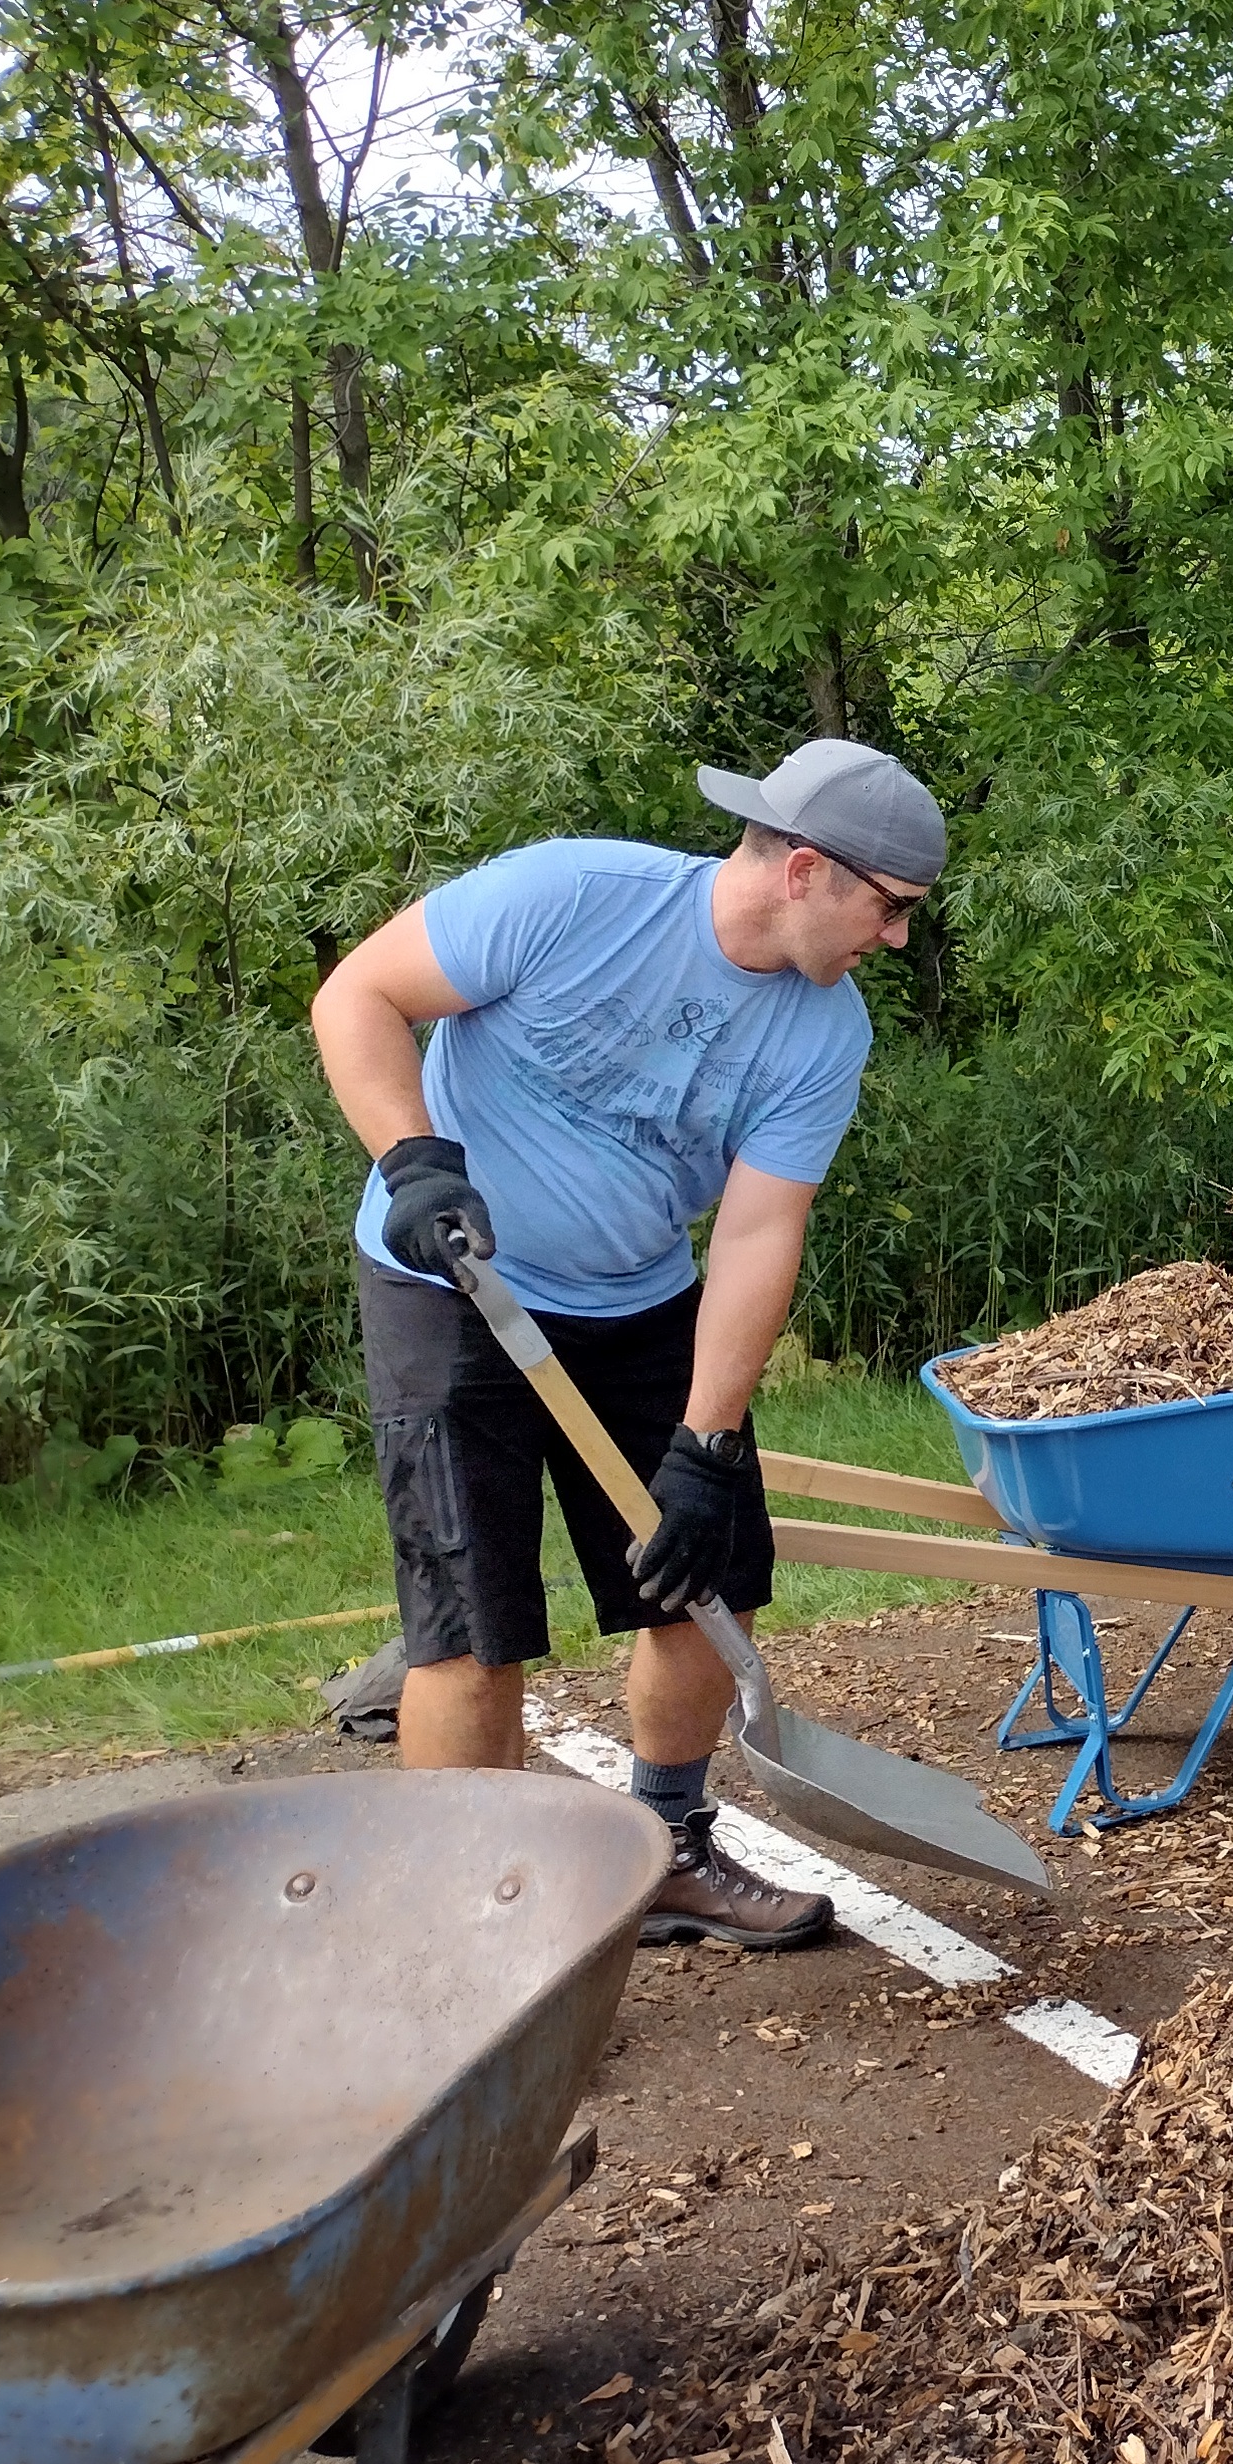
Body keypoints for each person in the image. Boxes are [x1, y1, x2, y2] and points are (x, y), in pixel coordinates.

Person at [309, 739, 945, 1944]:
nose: (898, 938)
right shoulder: (570, 897)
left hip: (637, 1299)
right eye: (892, 908)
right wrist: (412, 1158)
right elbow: (359, 995)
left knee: (705, 1583)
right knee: (473, 1632)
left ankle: (664, 1849)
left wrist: (708, 1441)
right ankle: (462, 1931)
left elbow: (760, 1232)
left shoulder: (825, 1034)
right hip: (451, 1285)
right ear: (806, 869)